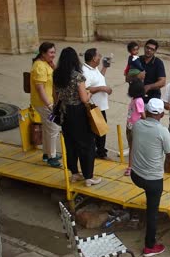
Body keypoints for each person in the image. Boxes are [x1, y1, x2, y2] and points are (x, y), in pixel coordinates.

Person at [130, 98, 170, 257]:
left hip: (135, 175)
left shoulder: (137, 125)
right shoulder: (162, 131)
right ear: (162, 114)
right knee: (152, 212)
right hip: (152, 181)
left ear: (147, 111)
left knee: (149, 196)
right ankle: (149, 246)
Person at [53, 47, 101, 187]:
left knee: (70, 143)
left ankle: (74, 173)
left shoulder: (57, 75)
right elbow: (84, 99)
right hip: (78, 112)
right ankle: (88, 177)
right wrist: (90, 94)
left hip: (64, 112)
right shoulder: (77, 76)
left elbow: (55, 95)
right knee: (86, 144)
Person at [30, 42, 61, 167]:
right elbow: (40, 88)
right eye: (51, 52)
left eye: (54, 52)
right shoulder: (39, 67)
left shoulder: (45, 64)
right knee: (53, 128)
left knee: (48, 127)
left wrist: (53, 65)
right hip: (44, 103)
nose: (53, 55)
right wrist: (49, 105)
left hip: (47, 102)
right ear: (43, 53)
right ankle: (51, 157)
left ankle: (46, 154)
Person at [82, 48, 113, 160]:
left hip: (100, 106)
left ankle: (99, 151)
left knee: (101, 130)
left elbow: (99, 78)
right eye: (98, 55)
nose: (100, 57)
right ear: (94, 58)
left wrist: (105, 67)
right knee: (99, 131)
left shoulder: (93, 69)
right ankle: (100, 153)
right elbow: (85, 88)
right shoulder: (85, 71)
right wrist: (102, 88)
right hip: (94, 106)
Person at [125, 79, 146, 176]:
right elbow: (143, 115)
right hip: (136, 128)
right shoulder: (139, 100)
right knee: (137, 148)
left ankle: (130, 167)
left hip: (129, 126)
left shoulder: (133, 99)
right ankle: (135, 167)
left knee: (131, 148)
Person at [139, 39, 166, 103]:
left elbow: (162, 82)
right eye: (147, 48)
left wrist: (149, 87)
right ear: (144, 47)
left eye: (152, 49)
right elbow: (127, 78)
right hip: (138, 95)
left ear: (155, 51)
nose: (149, 50)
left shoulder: (158, 63)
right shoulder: (137, 60)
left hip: (154, 97)